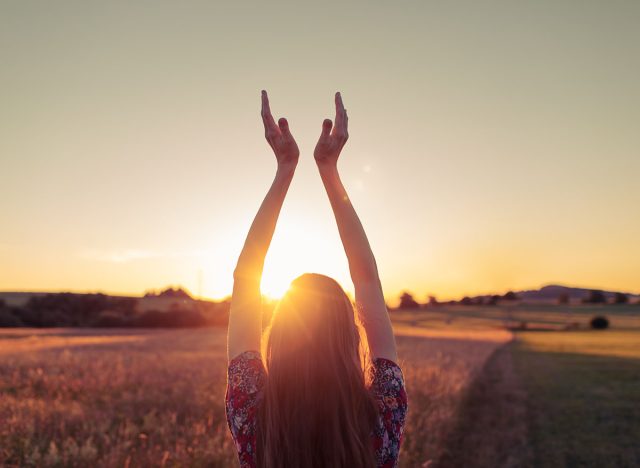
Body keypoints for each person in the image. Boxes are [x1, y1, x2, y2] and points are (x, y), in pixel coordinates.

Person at [225, 91, 407, 468]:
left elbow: (246, 277)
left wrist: (284, 170)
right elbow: (368, 281)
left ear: (278, 336)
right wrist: (329, 171)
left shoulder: (253, 415)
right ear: (350, 334)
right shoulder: (382, 414)